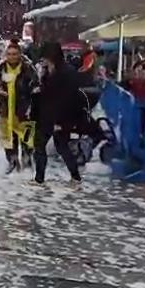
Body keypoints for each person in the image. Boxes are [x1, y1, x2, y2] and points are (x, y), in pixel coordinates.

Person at [32, 42, 83, 186]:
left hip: (60, 116)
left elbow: (69, 97)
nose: (43, 60)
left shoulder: (66, 72)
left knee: (59, 146)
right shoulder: (49, 71)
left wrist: (60, 122)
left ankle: (74, 177)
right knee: (44, 145)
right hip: (47, 115)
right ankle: (40, 178)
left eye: (45, 57)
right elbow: (49, 92)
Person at [0, 42, 39, 174]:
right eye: (9, 54)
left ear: (20, 54)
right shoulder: (1, 68)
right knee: (8, 139)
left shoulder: (28, 68)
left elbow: (37, 86)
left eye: (15, 54)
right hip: (6, 110)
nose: (12, 57)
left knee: (27, 139)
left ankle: (27, 162)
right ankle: (12, 161)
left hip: (25, 110)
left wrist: (32, 94)